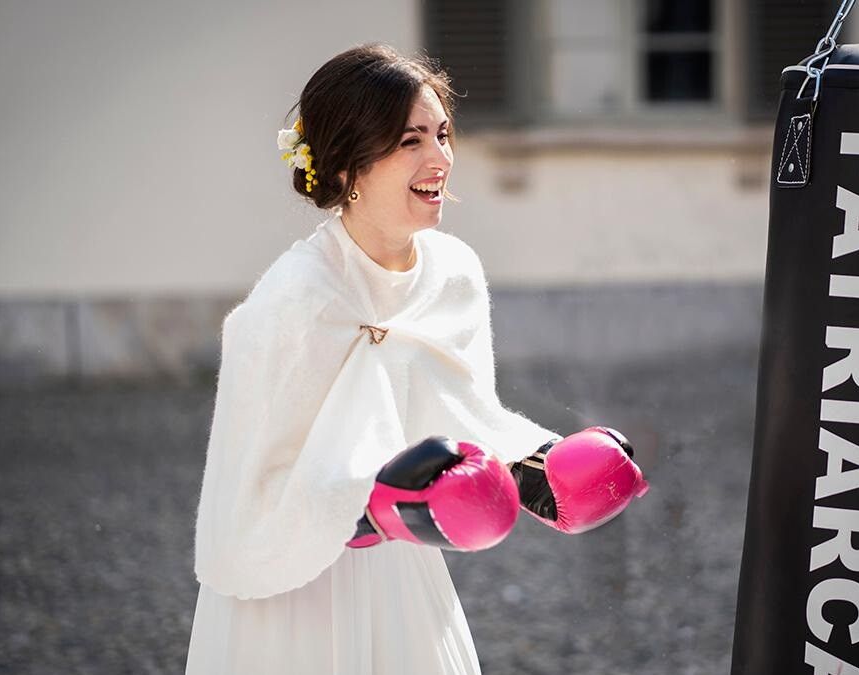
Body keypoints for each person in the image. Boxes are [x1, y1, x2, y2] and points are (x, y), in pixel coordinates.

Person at [183, 44, 647, 675]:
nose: (440, 159)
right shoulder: (290, 300)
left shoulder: (455, 273)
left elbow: (461, 414)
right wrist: (367, 509)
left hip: (402, 577)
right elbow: (248, 495)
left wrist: (534, 469)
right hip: (291, 598)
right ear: (347, 165)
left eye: (443, 134)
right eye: (410, 140)